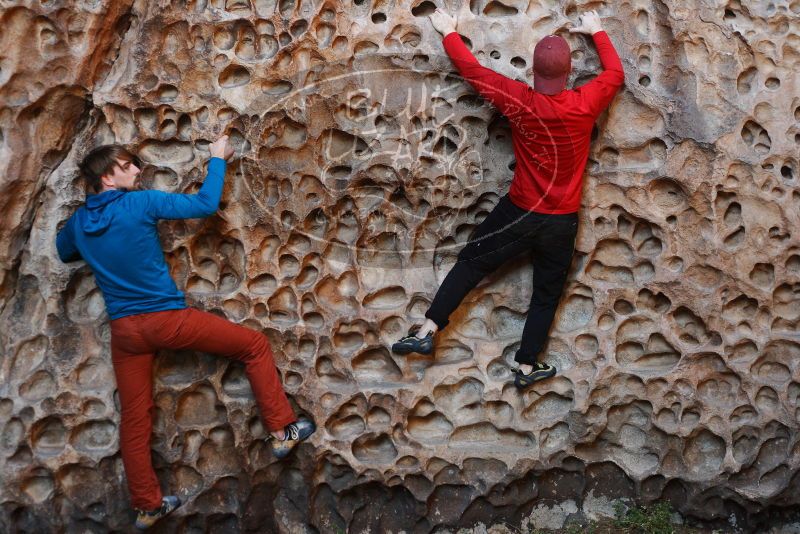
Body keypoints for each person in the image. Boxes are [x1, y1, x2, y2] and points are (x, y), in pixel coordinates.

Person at [56, 136, 315, 530]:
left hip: (125, 332)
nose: (138, 171)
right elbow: (204, 205)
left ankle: (147, 505)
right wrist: (216, 159)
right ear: (108, 177)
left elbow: (64, 252)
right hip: (166, 320)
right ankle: (283, 429)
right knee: (253, 346)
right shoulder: (139, 203)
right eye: (129, 166)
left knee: (135, 417)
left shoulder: (78, 224)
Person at [392, 9, 625, 389]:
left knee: (470, 263)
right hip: (561, 222)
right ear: (568, 73)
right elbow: (615, 75)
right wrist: (597, 30)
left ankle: (428, 327)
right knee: (546, 295)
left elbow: (474, 72)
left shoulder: (520, 100)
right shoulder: (584, 103)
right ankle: (527, 366)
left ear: (534, 72)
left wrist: (449, 31)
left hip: (518, 213)